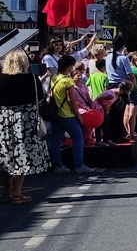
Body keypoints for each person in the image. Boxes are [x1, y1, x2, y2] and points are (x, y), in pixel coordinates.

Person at [0, 49, 51, 202]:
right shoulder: (32, 79)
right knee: (21, 155)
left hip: (4, 120)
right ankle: (17, 193)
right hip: (25, 121)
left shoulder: (0, 79)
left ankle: (6, 192)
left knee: (5, 156)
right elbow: (41, 97)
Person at [45, 55, 96, 174]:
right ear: (69, 67)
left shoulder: (55, 78)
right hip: (67, 114)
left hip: (56, 114)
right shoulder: (68, 81)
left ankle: (58, 165)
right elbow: (71, 100)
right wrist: (78, 115)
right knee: (78, 139)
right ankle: (79, 165)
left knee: (56, 141)